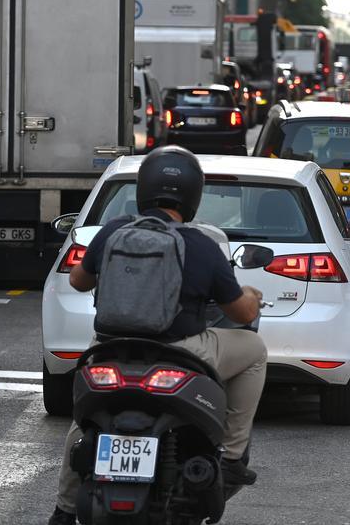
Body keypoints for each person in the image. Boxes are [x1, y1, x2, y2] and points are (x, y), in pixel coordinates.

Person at [48, 146, 266, 525]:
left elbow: (78, 281)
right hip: (182, 352)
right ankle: (231, 457)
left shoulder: (114, 230)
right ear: (194, 196)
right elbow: (242, 314)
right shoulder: (201, 245)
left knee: (85, 423)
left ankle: (64, 511)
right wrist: (251, 296)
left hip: (110, 351)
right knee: (255, 350)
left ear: (142, 189)